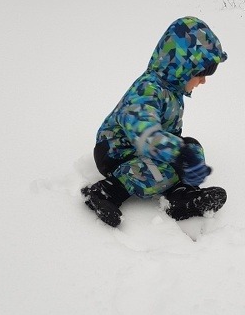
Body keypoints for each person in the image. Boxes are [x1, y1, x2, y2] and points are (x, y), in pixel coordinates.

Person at [81, 16, 228, 227]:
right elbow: (145, 133)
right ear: (184, 68)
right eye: (200, 75)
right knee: (162, 168)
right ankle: (106, 191)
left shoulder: (173, 92)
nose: (203, 81)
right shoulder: (147, 89)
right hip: (117, 152)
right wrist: (177, 154)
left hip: (147, 149)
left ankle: (181, 196)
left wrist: (184, 152)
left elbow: (170, 135)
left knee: (192, 147)